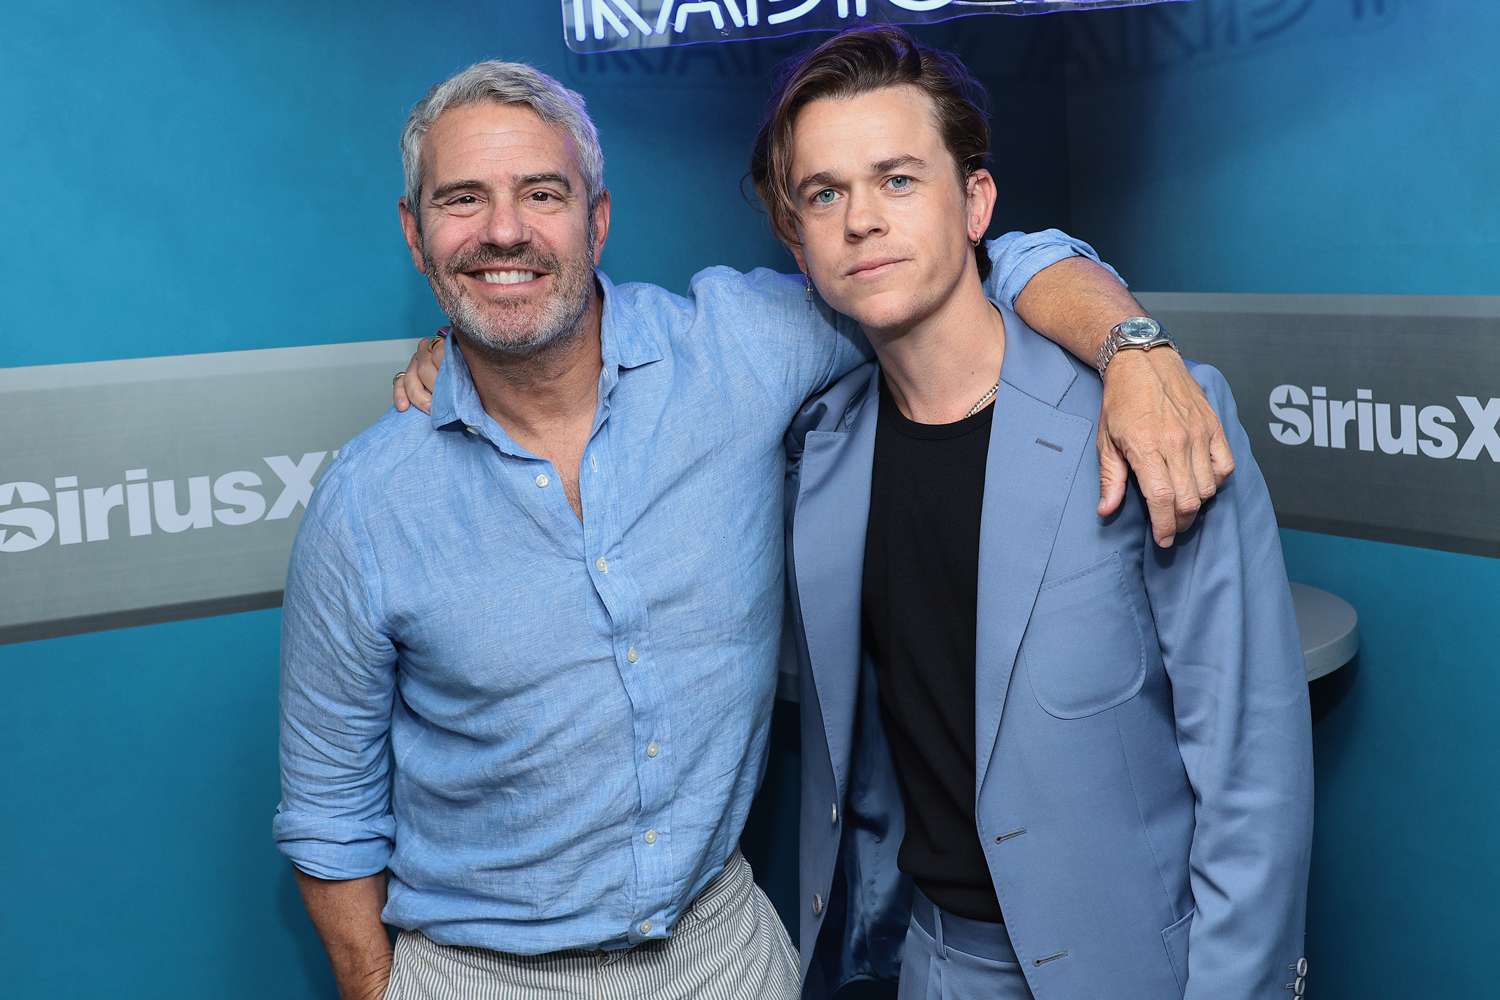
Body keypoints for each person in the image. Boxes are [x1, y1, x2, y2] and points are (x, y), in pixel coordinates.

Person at [281, 59, 1231, 1000]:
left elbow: (957, 264)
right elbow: (328, 815)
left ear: (597, 220)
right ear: (415, 233)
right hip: (475, 975)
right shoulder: (370, 502)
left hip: (725, 954)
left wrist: (1131, 347)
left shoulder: (739, 349)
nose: (502, 230)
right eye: (461, 202)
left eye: (541, 193)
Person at [755, 27, 1314, 1000]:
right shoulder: (818, 450)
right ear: (797, 237)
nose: (859, 221)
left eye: (897, 179)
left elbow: (1251, 781)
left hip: (1138, 967)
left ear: (975, 202)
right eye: (824, 192)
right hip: (932, 962)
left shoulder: (1151, 415)